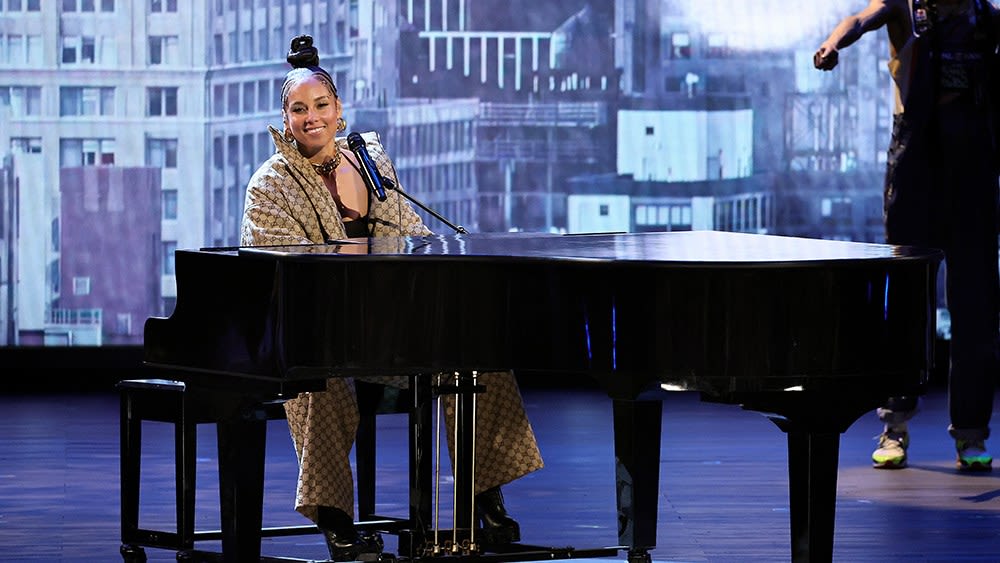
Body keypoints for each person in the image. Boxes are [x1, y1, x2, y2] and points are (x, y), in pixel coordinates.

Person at [240, 35, 545, 560]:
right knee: (321, 382)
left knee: (476, 358)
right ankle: (336, 520)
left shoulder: (369, 161)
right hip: (308, 336)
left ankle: (483, 497)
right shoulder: (270, 185)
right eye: (298, 109)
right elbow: (277, 276)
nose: (311, 117)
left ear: (339, 111)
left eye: (321, 106)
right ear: (284, 119)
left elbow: (409, 235)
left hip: (381, 330)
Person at [814, 0, 1000, 471]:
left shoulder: (986, 15)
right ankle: (894, 425)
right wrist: (833, 43)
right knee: (903, 302)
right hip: (917, 168)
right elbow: (859, 19)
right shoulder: (906, 5)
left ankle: (971, 434)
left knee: (977, 305)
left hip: (973, 168)